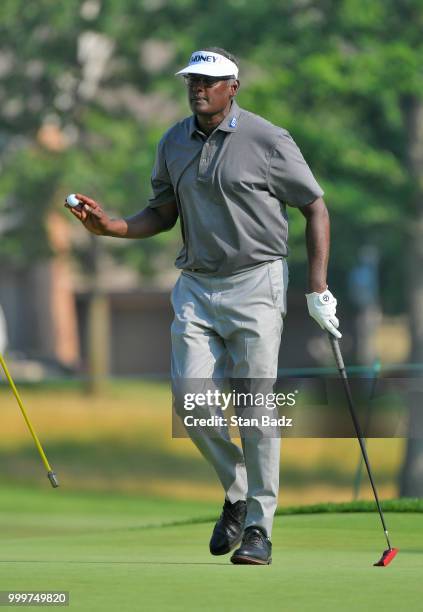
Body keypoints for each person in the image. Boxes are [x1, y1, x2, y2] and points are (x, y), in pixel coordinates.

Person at [65, 47, 341, 565]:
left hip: (257, 281)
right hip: (196, 285)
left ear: (233, 87)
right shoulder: (172, 140)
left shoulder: (268, 139)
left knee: (256, 409)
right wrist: (112, 228)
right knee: (191, 405)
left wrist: (318, 287)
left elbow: (314, 207)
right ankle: (238, 489)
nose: (198, 88)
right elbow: (162, 213)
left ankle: (258, 528)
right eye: (193, 79)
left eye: (210, 81)